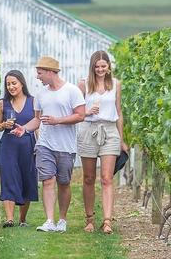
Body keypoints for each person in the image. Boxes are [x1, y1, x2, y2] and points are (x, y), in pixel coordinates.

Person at [32, 56, 86, 233]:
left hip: (65, 146)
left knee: (64, 183)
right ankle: (49, 220)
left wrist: (58, 121)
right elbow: (37, 120)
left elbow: (80, 115)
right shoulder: (40, 94)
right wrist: (24, 130)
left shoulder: (72, 91)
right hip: (45, 144)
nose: (38, 77)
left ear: (50, 72)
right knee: (48, 180)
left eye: (40, 73)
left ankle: (62, 219)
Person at [77, 50, 128, 234]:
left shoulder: (116, 84)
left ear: (108, 67)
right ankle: (90, 219)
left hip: (109, 131)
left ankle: (107, 221)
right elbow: (78, 112)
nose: (100, 69)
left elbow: (119, 112)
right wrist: (88, 112)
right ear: (92, 67)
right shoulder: (83, 85)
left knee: (107, 178)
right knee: (89, 178)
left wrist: (121, 140)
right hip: (88, 130)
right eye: (97, 66)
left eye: (103, 66)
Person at [0, 70, 41, 228]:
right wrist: (3, 125)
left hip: (27, 145)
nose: (11, 87)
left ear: (22, 83)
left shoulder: (33, 101)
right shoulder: (2, 103)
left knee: (27, 179)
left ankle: (22, 219)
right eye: (8, 84)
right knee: (9, 178)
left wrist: (39, 145)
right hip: (8, 146)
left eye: (14, 83)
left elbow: (37, 124)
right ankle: (9, 219)